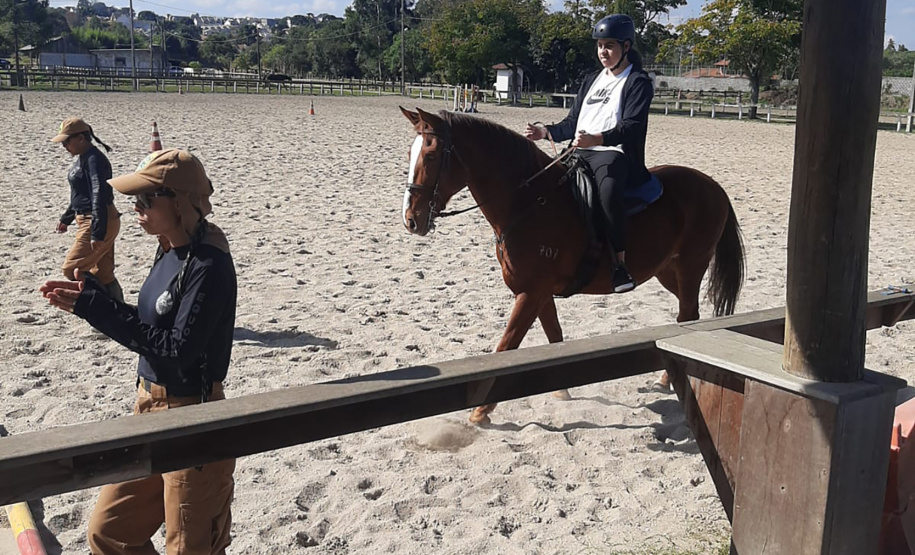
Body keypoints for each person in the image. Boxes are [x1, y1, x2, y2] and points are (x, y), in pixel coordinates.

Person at [40, 148, 238, 555]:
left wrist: (101, 313)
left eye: (147, 199)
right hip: (148, 409)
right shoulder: (168, 247)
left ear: (180, 202)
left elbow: (177, 350)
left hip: (192, 420)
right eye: (136, 199)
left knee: (189, 548)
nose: (136, 208)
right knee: (109, 532)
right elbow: (154, 324)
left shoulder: (209, 263)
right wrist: (94, 302)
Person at [524, 14, 654, 294]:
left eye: (609, 46)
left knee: (607, 194)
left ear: (626, 47)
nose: (603, 52)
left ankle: (619, 265)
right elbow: (573, 123)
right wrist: (545, 132)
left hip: (613, 154)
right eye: (599, 46)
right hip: (578, 151)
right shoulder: (591, 80)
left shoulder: (638, 82)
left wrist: (597, 138)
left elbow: (632, 127)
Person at [52, 117, 124, 302]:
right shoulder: (83, 158)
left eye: (66, 141)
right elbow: (81, 192)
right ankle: (120, 315)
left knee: (71, 269)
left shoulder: (94, 159)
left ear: (81, 139)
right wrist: (67, 218)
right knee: (104, 274)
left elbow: (98, 193)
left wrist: (97, 232)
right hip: (92, 218)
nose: (64, 146)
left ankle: (104, 308)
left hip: (97, 219)